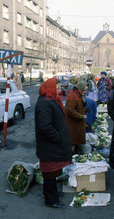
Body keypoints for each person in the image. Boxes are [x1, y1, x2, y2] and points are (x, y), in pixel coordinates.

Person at [35, 78, 72, 209]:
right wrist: (58, 138)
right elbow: (45, 126)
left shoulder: (50, 99)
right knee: (49, 174)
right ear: (49, 88)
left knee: (52, 173)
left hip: (51, 145)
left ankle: (51, 194)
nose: (59, 90)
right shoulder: (45, 102)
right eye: (56, 87)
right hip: (49, 145)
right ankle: (51, 200)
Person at [65, 81, 87, 154]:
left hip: (76, 123)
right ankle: (72, 157)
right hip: (73, 124)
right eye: (84, 90)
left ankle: (74, 156)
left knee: (75, 141)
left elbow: (78, 107)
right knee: (73, 142)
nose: (85, 92)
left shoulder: (78, 95)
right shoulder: (74, 96)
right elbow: (70, 109)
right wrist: (80, 116)